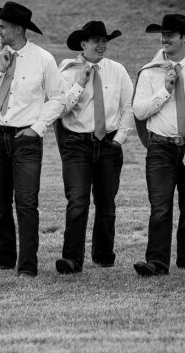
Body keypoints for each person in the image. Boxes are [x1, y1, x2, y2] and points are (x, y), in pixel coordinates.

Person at [0, 1, 65, 278]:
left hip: (26, 138)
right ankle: (5, 259)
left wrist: (38, 127)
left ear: (18, 28)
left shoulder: (43, 59)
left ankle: (28, 265)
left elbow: (58, 98)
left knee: (26, 201)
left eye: (2, 26)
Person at [132, 14, 185, 277]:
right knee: (160, 206)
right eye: (163, 34)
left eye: (171, 34)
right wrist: (165, 91)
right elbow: (140, 111)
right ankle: (156, 262)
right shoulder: (149, 72)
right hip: (160, 147)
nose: (165, 38)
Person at [53, 21, 133, 274]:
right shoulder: (66, 72)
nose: (101, 45)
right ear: (83, 44)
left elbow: (127, 107)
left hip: (108, 143)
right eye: (95, 41)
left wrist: (119, 139)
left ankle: (104, 255)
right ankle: (72, 259)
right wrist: (79, 84)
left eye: (104, 40)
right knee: (77, 201)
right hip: (77, 144)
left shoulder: (117, 70)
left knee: (107, 203)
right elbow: (60, 109)